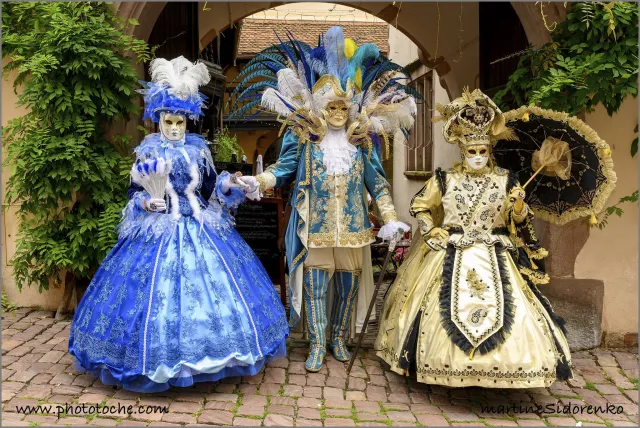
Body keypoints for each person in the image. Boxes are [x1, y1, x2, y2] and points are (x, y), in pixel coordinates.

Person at [68, 57, 288, 392]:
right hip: (158, 225)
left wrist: (231, 184)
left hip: (201, 224)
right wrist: (146, 202)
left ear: (188, 121)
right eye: (169, 121)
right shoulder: (147, 152)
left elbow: (211, 187)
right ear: (158, 120)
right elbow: (134, 192)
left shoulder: (199, 150)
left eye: (181, 122)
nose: (174, 128)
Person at [234, 27, 418, 372]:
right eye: (331, 106)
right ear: (321, 107)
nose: (337, 111)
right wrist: (257, 180)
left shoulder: (361, 144)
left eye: (342, 106)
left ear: (349, 108)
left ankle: (337, 337)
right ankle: (317, 343)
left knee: (348, 285)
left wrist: (390, 217)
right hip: (315, 226)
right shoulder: (305, 142)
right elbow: (283, 169)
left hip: (352, 227)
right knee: (316, 283)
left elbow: (377, 184)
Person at [375, 89, 572, 388]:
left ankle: (509, 367)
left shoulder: (506, 180)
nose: (478, 157)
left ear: (489, 152)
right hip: (451, 249)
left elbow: (516, 219)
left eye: (483, 152)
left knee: (514, 310)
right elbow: (421, 206)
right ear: (463, 151)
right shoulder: (445, 179)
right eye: (472, 152)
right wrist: (431, 229)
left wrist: (518, 203)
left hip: (495, 252)